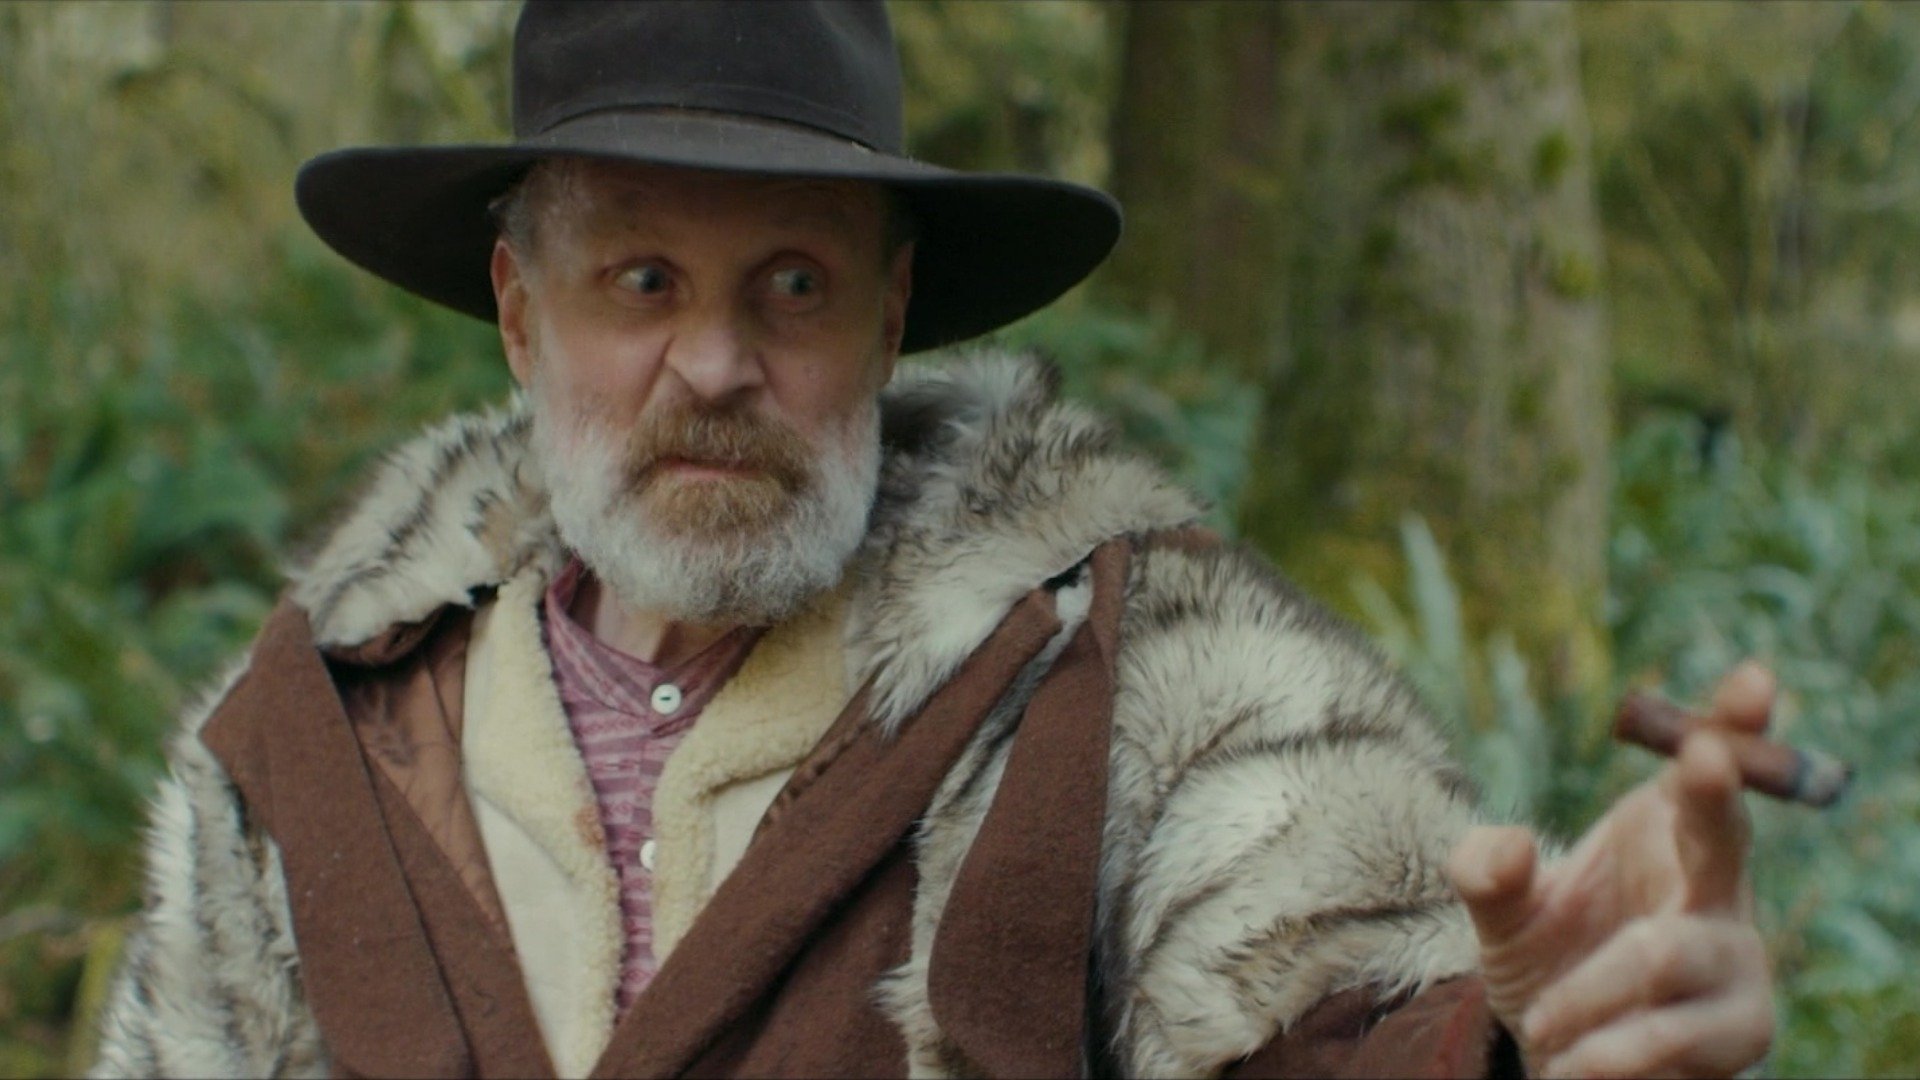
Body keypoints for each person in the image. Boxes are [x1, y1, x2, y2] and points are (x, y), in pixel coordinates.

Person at [90, 2, 1775, 1077]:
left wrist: (1536, 1033)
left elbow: (1348, 1016)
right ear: (521, 315)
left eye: (794, 283)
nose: (716, 363)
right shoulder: (312, 745)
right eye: (643, 280)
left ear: (889, 319)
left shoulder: (1133, 680)